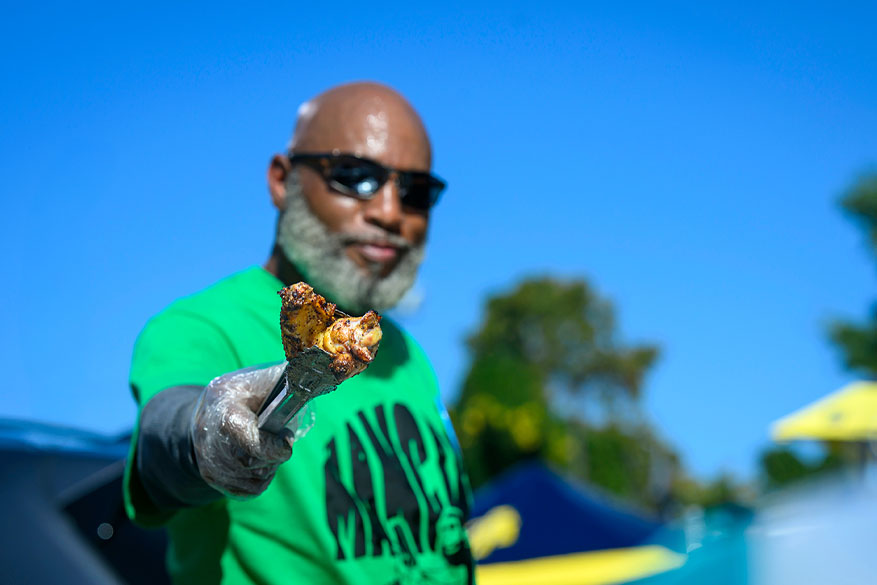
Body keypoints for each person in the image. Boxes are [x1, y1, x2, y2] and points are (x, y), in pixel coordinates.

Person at [124, 82, 475, 585]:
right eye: (356, 178)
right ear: (281, 180)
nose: (391, 213)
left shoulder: (401, 353)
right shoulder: (200, 325)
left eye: (416, 193)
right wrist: (202, 432)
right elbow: (162, 441)